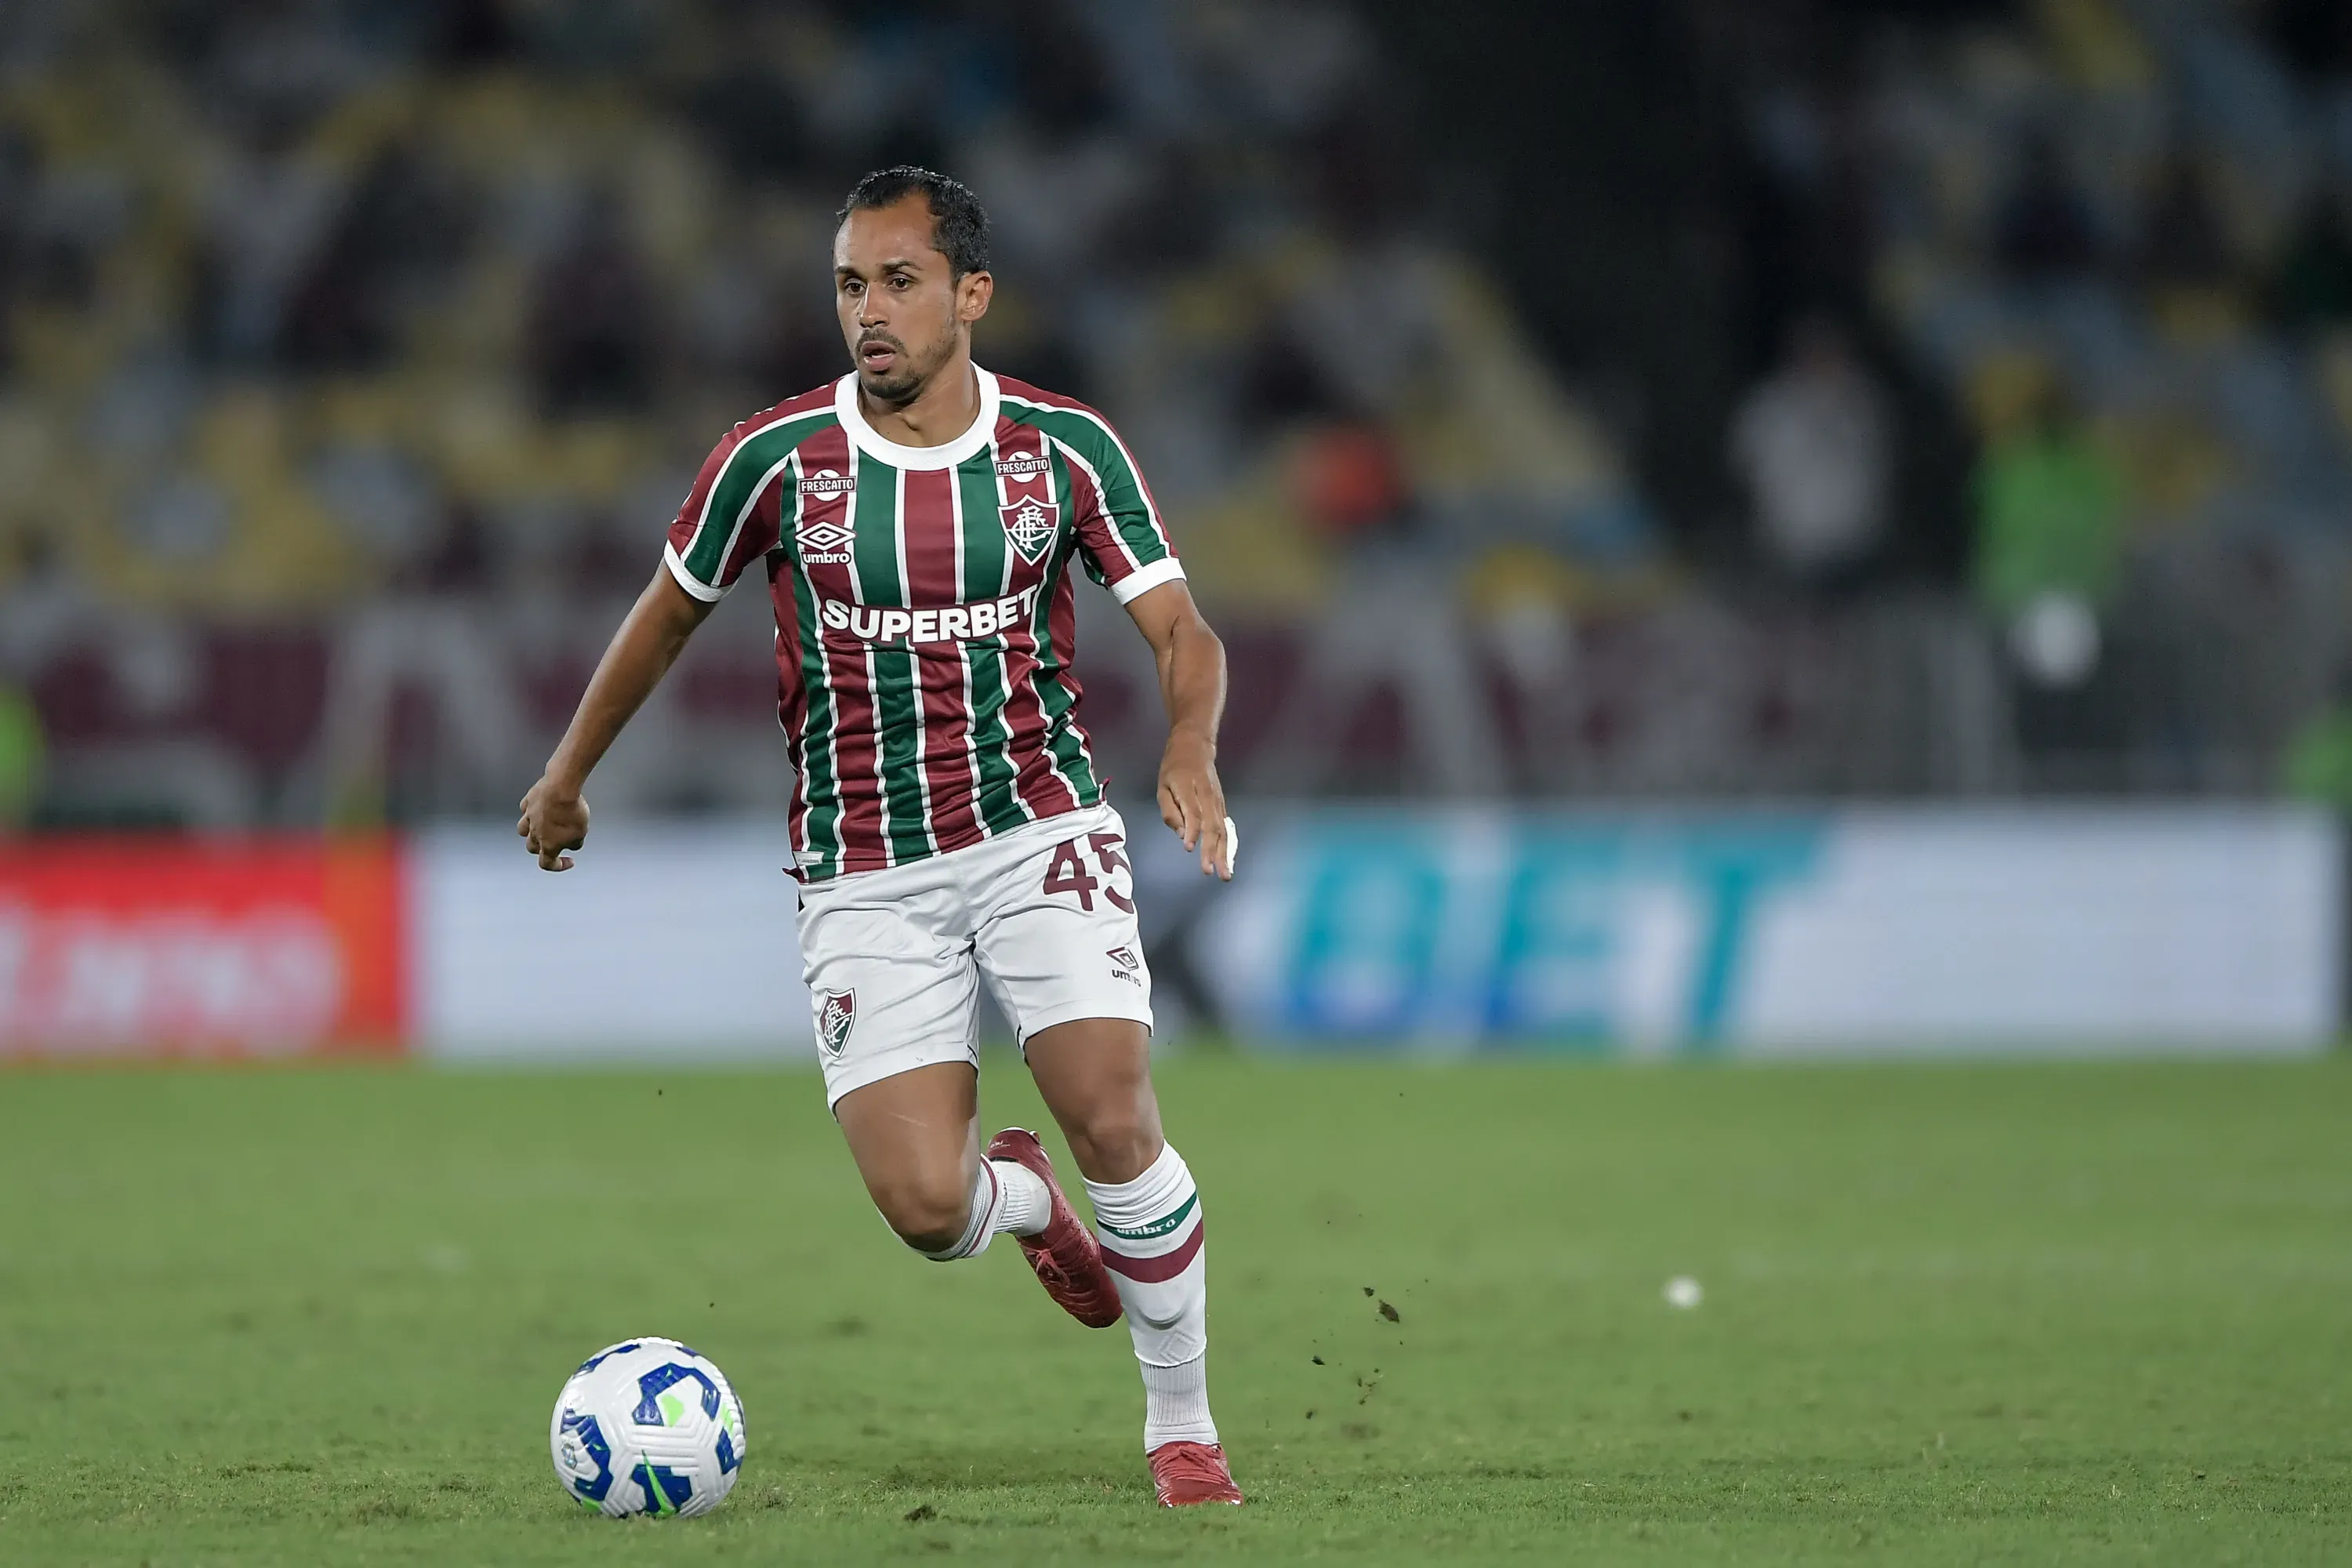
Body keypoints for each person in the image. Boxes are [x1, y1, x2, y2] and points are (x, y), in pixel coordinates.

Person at [514, 168, 1243, 1508]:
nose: (870, 310)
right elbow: (666, 613)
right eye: (851, 284)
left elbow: (1182, 629)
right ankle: (1021, 1200)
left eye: (900, 281)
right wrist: (566, 776)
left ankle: (1182, 1428)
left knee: (1109, 1106)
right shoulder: (773, 458)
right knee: (926, 1211)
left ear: (972, 294)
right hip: (863, 867)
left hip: (1035, 823)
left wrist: (1189, 746)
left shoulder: (1063, 450)